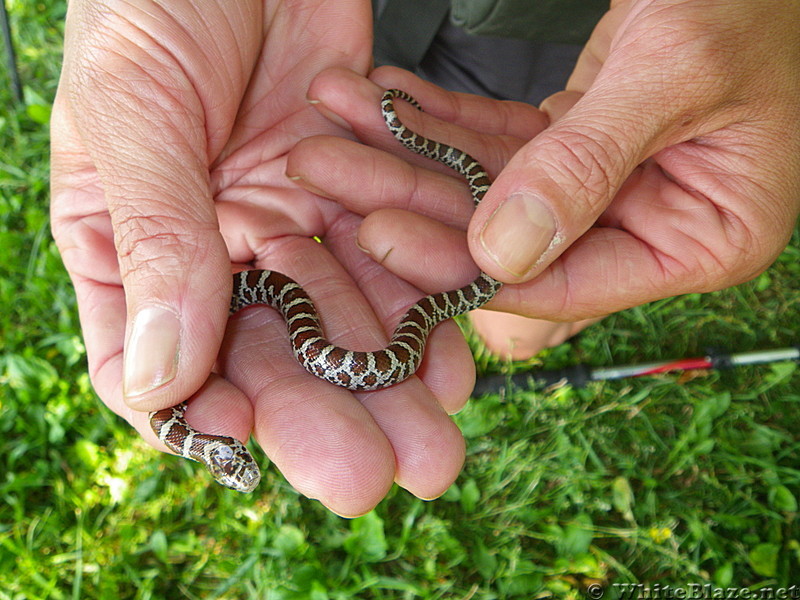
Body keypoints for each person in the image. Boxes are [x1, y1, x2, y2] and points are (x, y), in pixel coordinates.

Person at [50, 0, 800, 517]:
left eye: (232, 462)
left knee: (523, 281)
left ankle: (500, 276)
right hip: (336, 33)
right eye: (233, 464)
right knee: (504, 288)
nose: (240, 469)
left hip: (540, 26)